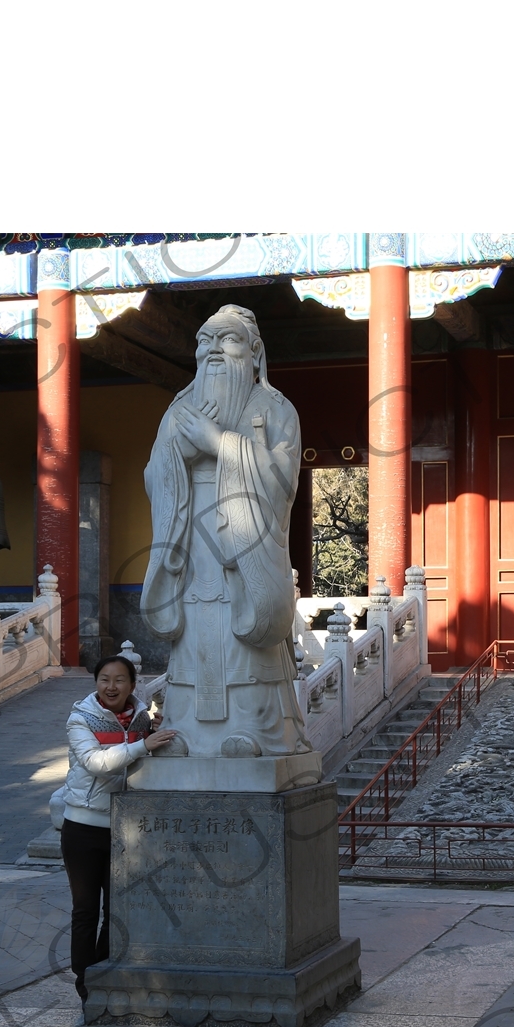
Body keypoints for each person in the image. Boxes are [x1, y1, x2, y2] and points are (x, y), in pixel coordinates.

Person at [139, 303, 311, 760]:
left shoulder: (276, 408)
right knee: (195, 632)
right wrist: (180, 453)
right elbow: (154, 475)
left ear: (254, 352)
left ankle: (257, 731)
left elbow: (283, 479)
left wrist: (219, 444)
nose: (213, 350)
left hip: (245, 543)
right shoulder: (179, 408)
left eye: (227, 340)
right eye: (204, 341)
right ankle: (184, 732)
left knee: (245, 643)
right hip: (192, 546)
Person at [58, 654, 180, 1002]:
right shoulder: (80, 718)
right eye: (104, 680)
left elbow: (141, 760)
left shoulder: (142, 718)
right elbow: (96, 762)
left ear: (132, 683)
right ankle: (84, 979)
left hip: (126, 828)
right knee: (85, 908)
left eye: (119, 680)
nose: (111, 687)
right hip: (83, 825)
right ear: (96, 683)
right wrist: (142, 744)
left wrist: (150, 738)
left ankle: (105, 973)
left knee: (117, 910)